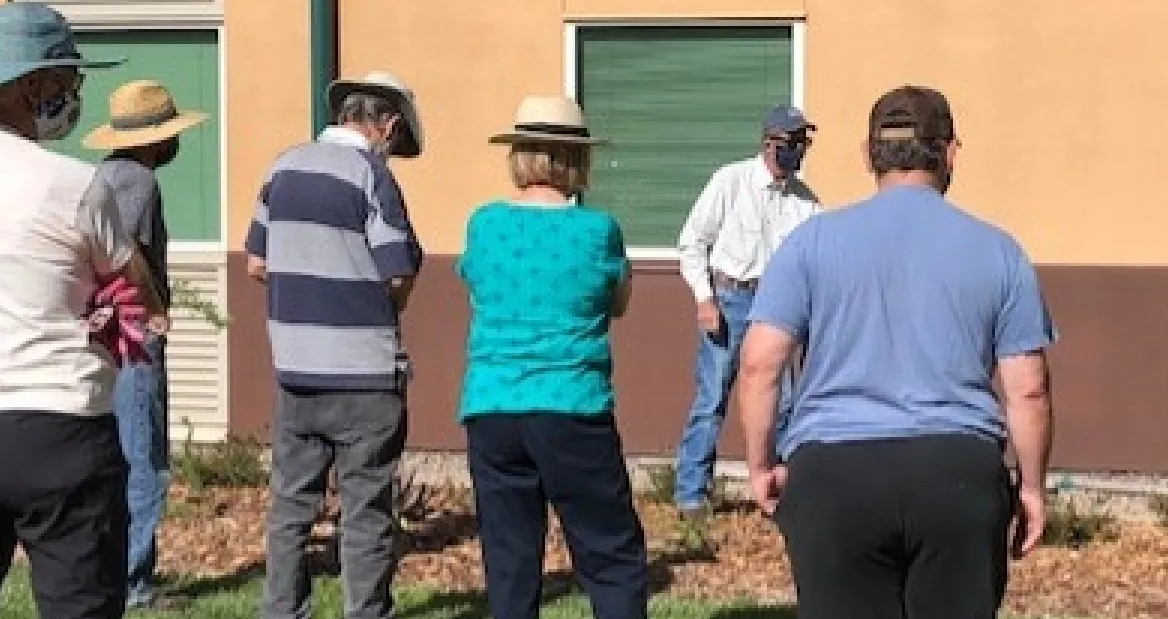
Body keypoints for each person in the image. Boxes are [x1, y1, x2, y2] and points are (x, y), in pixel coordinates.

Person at [736, 85, 1057, 618]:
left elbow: (759, 364)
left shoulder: (811, 243)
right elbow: (1029, 390)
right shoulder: (1000, 251)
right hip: (957, 475)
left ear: (868, 155)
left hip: (835, 475)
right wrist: (1032, 488)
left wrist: (760, 465)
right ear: (950, 153)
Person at [0, 1, 164, 618]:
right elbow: (139, 291)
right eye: (68, 81)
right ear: (34, 86)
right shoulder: (73, 183)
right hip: (58, 421)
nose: (74, 96)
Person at [459, 95, 649, 619]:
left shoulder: (484, 224)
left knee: (509, 558)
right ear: (577, 159)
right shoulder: (597, 230)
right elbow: (618, 303)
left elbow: (477, 290)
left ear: (518, 155)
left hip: (492, 405)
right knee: (610, 553)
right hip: (571, 403)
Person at [245, 70, 426, 619]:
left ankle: (282, 610)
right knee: (366, 511)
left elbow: (256, 264)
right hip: (364, 374)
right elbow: (397, 271)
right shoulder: (371, 175)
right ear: (386, 126)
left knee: (290, 508)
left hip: (295, 368)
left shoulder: (282, 167)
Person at [80, 78, 209, 612]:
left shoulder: (101, 175)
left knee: (115, 457)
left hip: (102, 337)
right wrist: (155, 311)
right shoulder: (137, 180)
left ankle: (111, 571)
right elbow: (126, 251)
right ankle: (132, 581)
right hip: (132, 336)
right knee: (143, 458)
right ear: (158, 137)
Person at [671, 105, 823, 524]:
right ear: (769, 143)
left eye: (804, 143)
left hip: (778, 308)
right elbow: (692, 242)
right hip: (730, 299)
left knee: (785, 403)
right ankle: (690, 494)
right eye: (791, 142)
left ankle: (781, 490)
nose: (798, 150)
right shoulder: (730, 182)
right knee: (712, 397)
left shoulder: (806, 203)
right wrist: (704, 299)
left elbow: (816, 262)